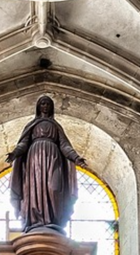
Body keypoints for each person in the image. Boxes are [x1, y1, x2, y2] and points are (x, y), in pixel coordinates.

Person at [6, 95, 86, 231]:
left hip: (54, 158)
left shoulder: (56, 126)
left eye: (48, 104)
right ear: (38, 107)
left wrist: (76, 157)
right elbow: (24, 143)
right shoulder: (32, 125)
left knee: (54, 187)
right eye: (43, 103)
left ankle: (54, 220)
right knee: (35, 187)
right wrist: (15, 153)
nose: (45, 106)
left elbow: (64, 145)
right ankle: (36, 220)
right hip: (35, 158)